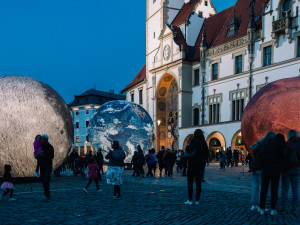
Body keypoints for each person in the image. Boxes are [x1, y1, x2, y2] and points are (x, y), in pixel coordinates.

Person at [259, 133, 285, 216]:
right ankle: (273, 209)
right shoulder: (279, 145)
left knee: (264, 189)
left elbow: (261, 156)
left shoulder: (265, 145)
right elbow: (282, 156)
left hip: (266, 168)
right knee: (274, 189)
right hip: (276, 169)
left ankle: (262, 209)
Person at [250, 132, 275, 212]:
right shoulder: (264, 145)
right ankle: (261, 205)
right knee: (261, 187)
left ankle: (254, 205)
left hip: (254, 168)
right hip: (261, 168)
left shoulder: (256, 144)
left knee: (254, 187)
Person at [184, 129, 209, 205]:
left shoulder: (193, 140)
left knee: (190, 182)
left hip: (192, 164)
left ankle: (190, 200)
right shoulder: (203, 142)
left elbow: (189, 149)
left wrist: (187, 147)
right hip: (200, 164)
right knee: (198, 183)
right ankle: (197, 200)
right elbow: (207, 153)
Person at [280, 129, 300, 213]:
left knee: (285, 189)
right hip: (297, 169)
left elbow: (283, 157)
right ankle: (294, 207)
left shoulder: (287, 144)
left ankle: (282, 207)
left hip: (287, 169)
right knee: (295, 189)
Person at [39, 134, 54, 202]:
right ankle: (46, 194)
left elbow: (51, 156)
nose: (41, 140)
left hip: (48, 166)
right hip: (42, 166)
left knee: (46, 181)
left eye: (42, 139)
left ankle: (47, 195)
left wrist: (43, 154)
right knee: (43, 181)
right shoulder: (41, 146)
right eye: (41, 139)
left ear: (46, 139)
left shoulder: (50, 147)